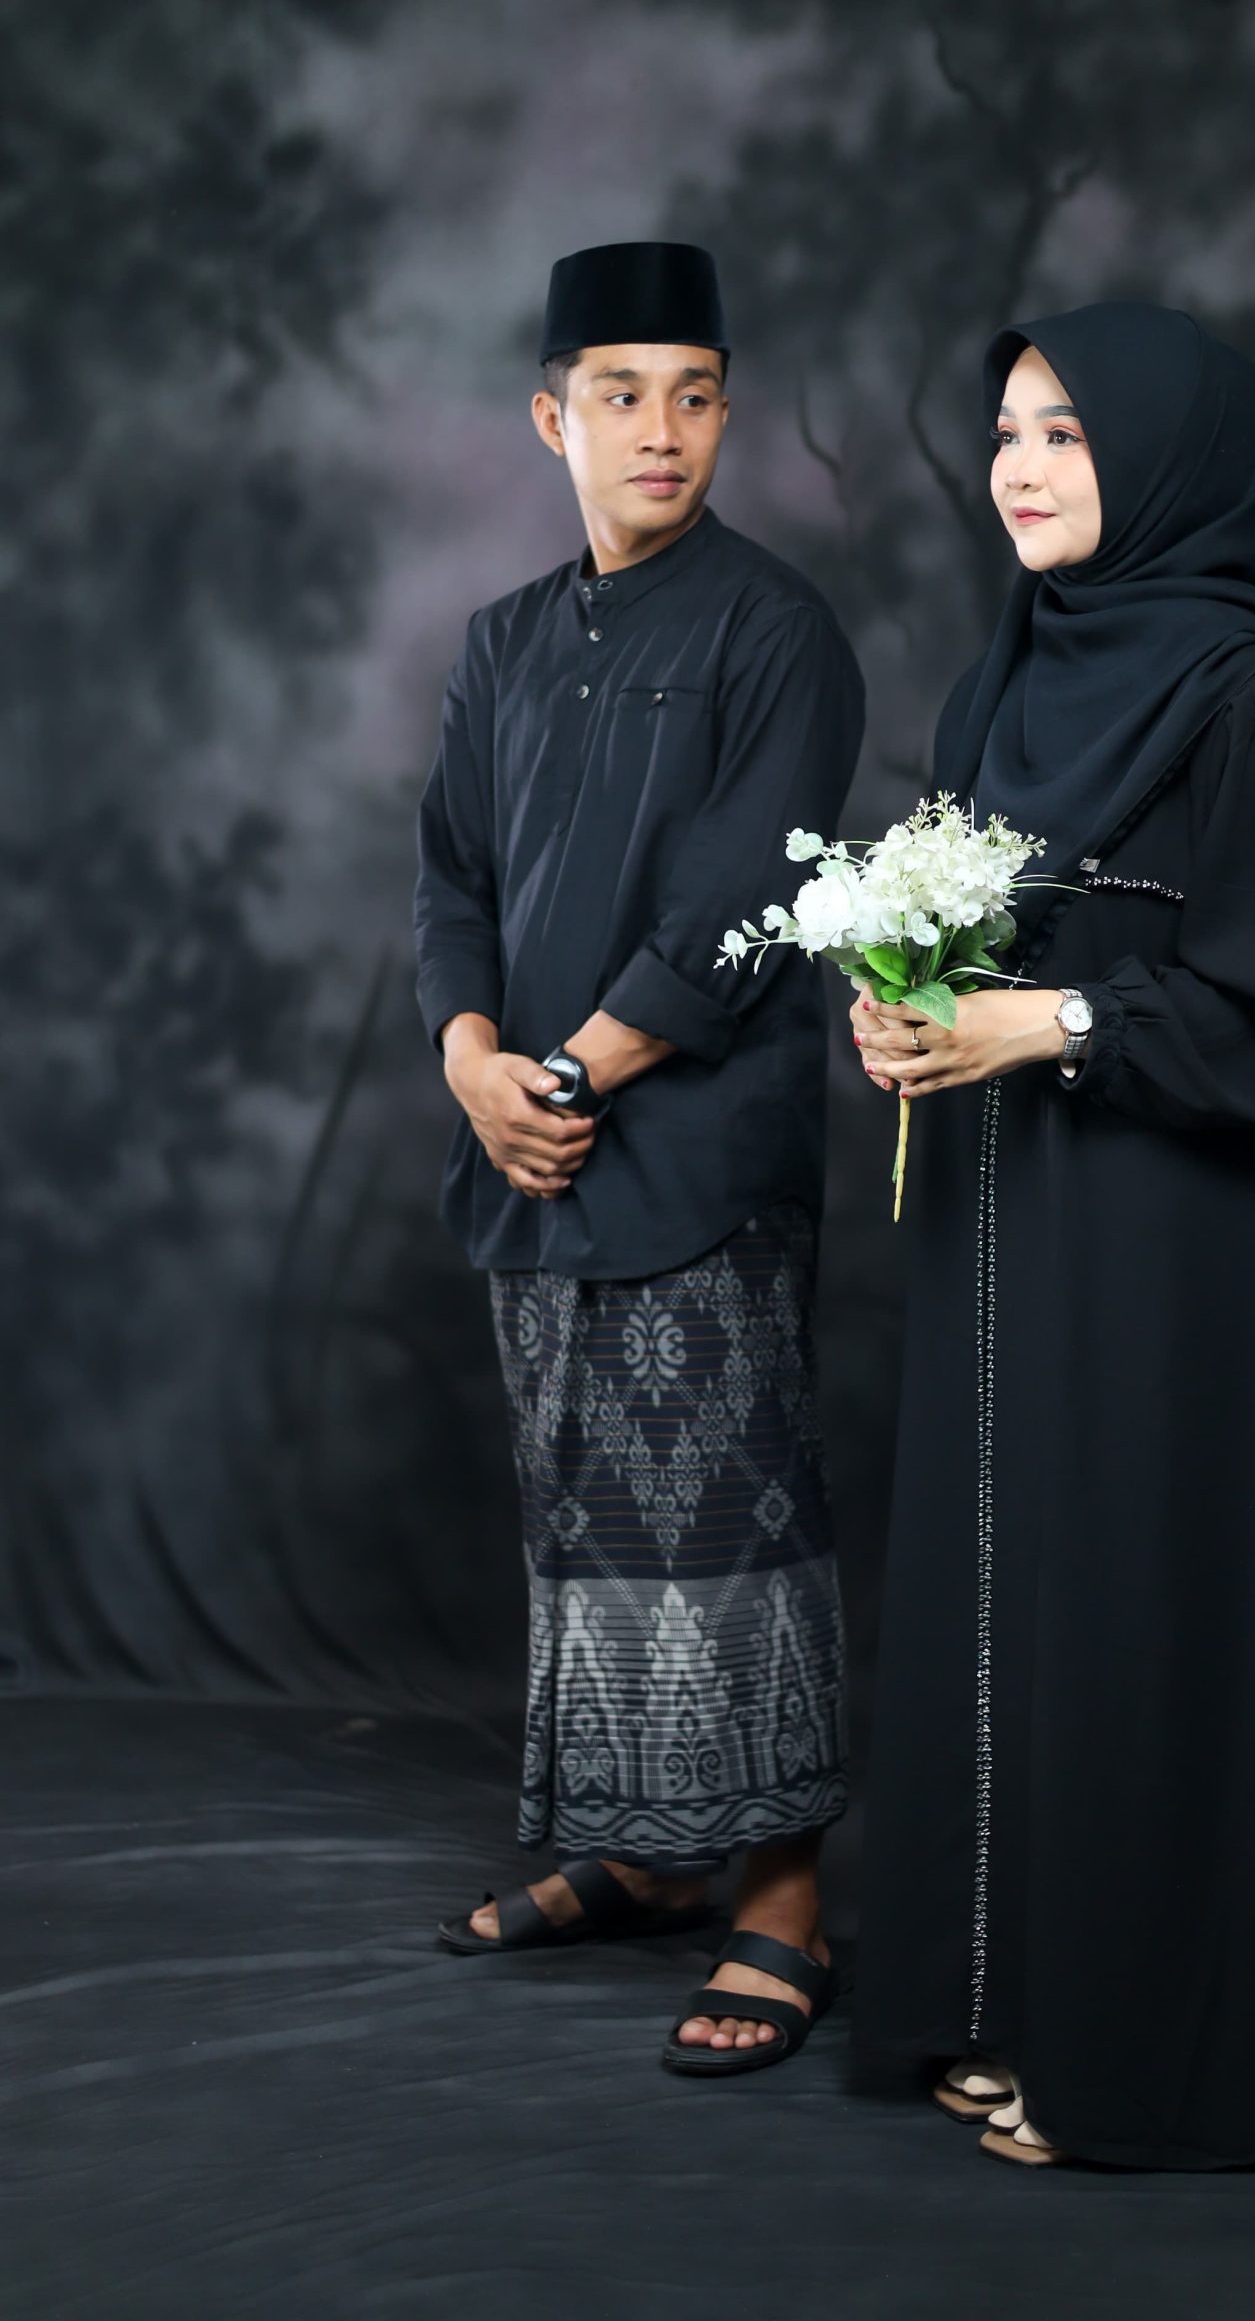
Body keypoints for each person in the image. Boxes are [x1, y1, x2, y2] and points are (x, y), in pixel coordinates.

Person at [848, 300, 1255, 2169]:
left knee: (1138, 1603)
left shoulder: (1243, 702)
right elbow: (961, 931)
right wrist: (907, 1008)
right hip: (1001, 1229)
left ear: (1166, 466)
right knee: (1007, 1596)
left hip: (1169, 1251)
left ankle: (1142, 2060)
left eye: (1065, 434)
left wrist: (1045, 1025)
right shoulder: (1002, 683)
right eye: (1005, 432)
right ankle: (1005, 2003)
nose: (1020, 468)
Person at [413, 239, 864, 2075]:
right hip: (528, 1148)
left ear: (724, 418)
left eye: (693, 395)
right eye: (620, 394)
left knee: (731, 1524)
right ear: (553, 420)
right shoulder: (503, 641)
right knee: (584, 1520)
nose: (659, 429)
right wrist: (470, 1065)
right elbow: (451, 878)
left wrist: (562, 1076)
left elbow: (744, 905)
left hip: (697, 1152)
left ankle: (782, 1903)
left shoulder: (776, 631)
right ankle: (650, 1858)